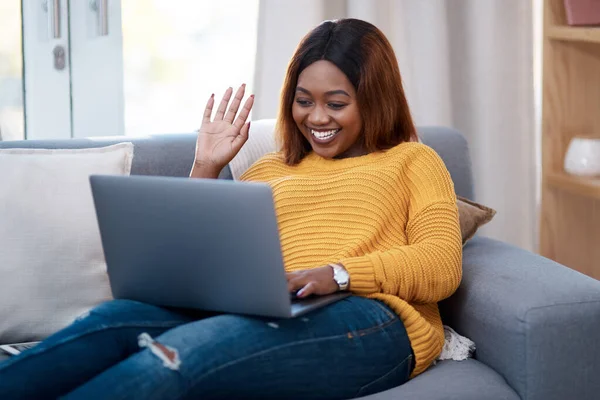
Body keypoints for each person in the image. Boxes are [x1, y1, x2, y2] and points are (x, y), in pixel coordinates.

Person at [0, 18, 462, 399]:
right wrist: (205, 165)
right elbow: (187, 263)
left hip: (370, 319)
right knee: (109, 321)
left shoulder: (413, 160)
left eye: (335, 104)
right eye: (304, 102)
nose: (316, 119)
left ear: (374, 99)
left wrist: (337, 273)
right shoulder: (268, 170)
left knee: (178, 356)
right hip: (267, 310)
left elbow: (441, 265)